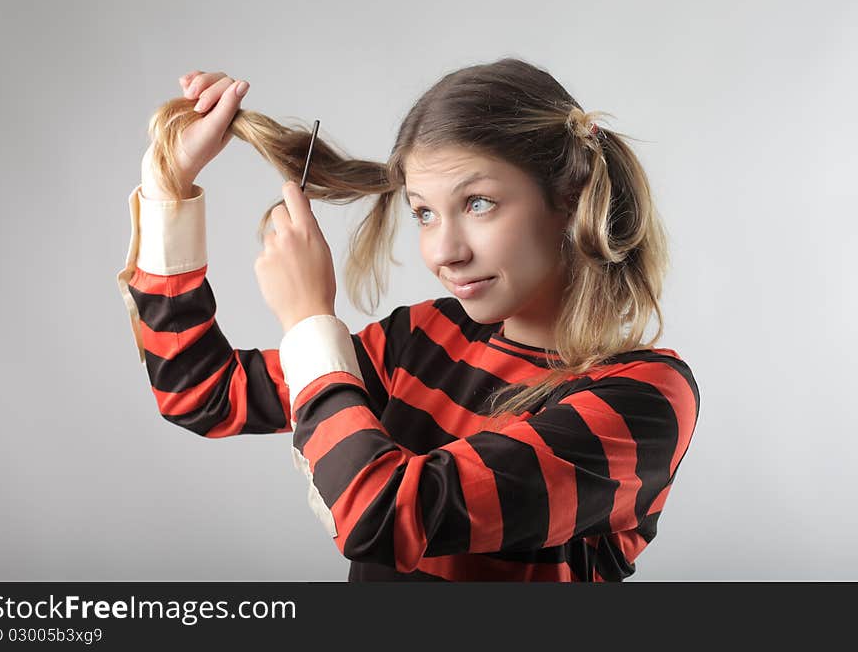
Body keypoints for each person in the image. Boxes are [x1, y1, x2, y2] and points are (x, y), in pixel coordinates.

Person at [117, 58, 700, 582]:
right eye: (423, 213)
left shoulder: (643, 399)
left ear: (569, 196)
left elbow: (385, 518)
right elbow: (200, 392)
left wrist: (309, 322)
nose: (444, 251)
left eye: (478, 203)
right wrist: (168, 189)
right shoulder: (425, 336)